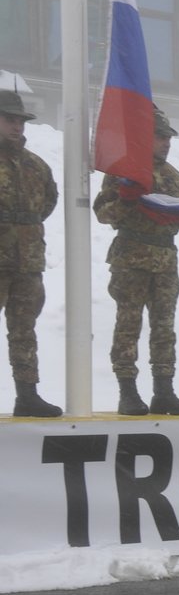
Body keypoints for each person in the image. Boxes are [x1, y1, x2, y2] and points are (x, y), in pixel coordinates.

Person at [91, 106, 179, 416]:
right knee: (128, 325)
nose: (166, 143)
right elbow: (103, 213)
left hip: (165, 260)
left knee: (164, 327)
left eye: (168, 138)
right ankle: (128, 391)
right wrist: (125, 197)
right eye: (160, 137)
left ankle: (164, 391)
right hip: (131, 258)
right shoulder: (124, 170)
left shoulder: (174, 177)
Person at [0, 89, 59, 417]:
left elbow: (47, 203)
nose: (16, 127)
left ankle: (27, 395)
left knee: (24, 331)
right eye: (9, 119)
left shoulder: (37, 166)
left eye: (20, 120)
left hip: (27, 263)